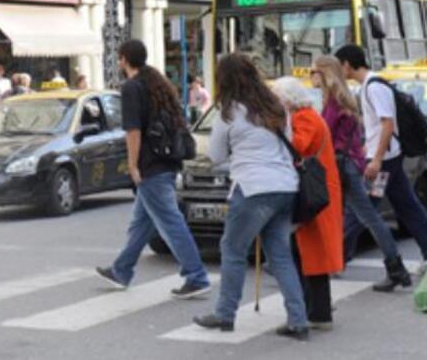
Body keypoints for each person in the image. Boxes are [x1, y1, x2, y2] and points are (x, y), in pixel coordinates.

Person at [193, 54, 308, 340]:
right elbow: (289, 146)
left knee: (232, 250)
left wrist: (239, 162)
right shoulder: (277, 106)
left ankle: (225, 314)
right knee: (280, 255)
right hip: (285, 187)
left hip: (253, 189)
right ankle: (298, 319)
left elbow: (216, 156)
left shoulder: (229, 112)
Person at [97, 40, 211, 299]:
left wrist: (133, 165)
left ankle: (196, 275)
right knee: (142, 222)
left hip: (151, 166)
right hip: (167, 162)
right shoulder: (156, 84)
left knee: (170, 222)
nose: (118, 62)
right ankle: (121, 270)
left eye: (119, 58)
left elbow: (133, 131)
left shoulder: (132, 88)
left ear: (125, 59)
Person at [311, 55, 411, 292]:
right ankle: (393, 267)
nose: (311, 76)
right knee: (365, 216)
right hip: (349, 164)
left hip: (341, 166)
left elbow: (325, 134)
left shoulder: (335, 101)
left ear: (326, 73)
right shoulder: (344, 98)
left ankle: (394, 268)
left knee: (360, 216)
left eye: (314, 72)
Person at [335, 45, 427, 265]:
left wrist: (376, 159)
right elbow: (377, 124)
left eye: (339, 66)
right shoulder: (368, 86)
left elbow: (387, 123)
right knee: (406, 207)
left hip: (384, 162)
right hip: (386, 159)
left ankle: (337, 257)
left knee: (361, 210)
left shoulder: (374, 87)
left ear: (347, 64)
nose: (339, 72)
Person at [272, 76, 343, 331]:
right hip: (318, 189)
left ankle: (316, 312)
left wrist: (277, 127)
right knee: (309, 254)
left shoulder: (303, 118)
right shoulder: (308, 115)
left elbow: (297, 146)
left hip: (313, 193)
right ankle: (315, 310)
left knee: (310, 255)